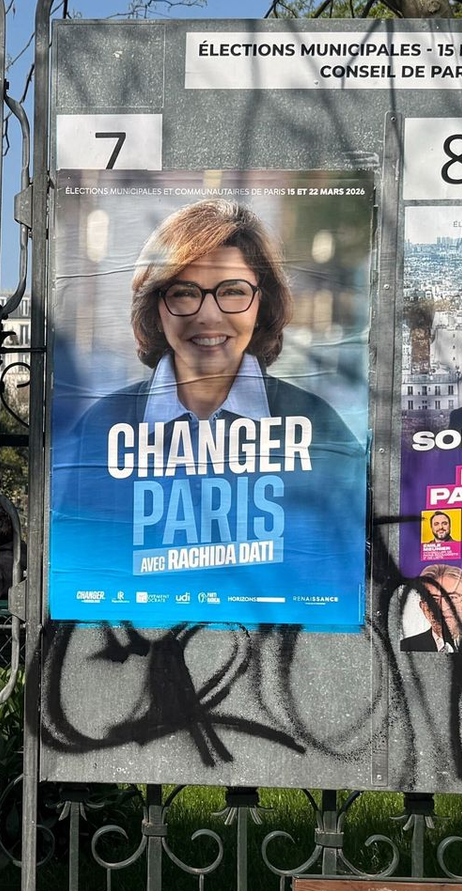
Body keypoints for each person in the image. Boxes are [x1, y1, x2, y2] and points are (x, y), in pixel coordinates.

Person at [53, 198, 365, 613]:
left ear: (262, 302)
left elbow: (342, 574)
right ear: (156, 305)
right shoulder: (103, 426)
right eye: (184, 293)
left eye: (232, 291)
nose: (208, 315)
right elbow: (79, 572)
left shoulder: (316, 425)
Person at [401, 563, 462, 652]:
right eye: (434, 599)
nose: (443, 608)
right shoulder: (406, 646)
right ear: (423, 607)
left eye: (452, 597)